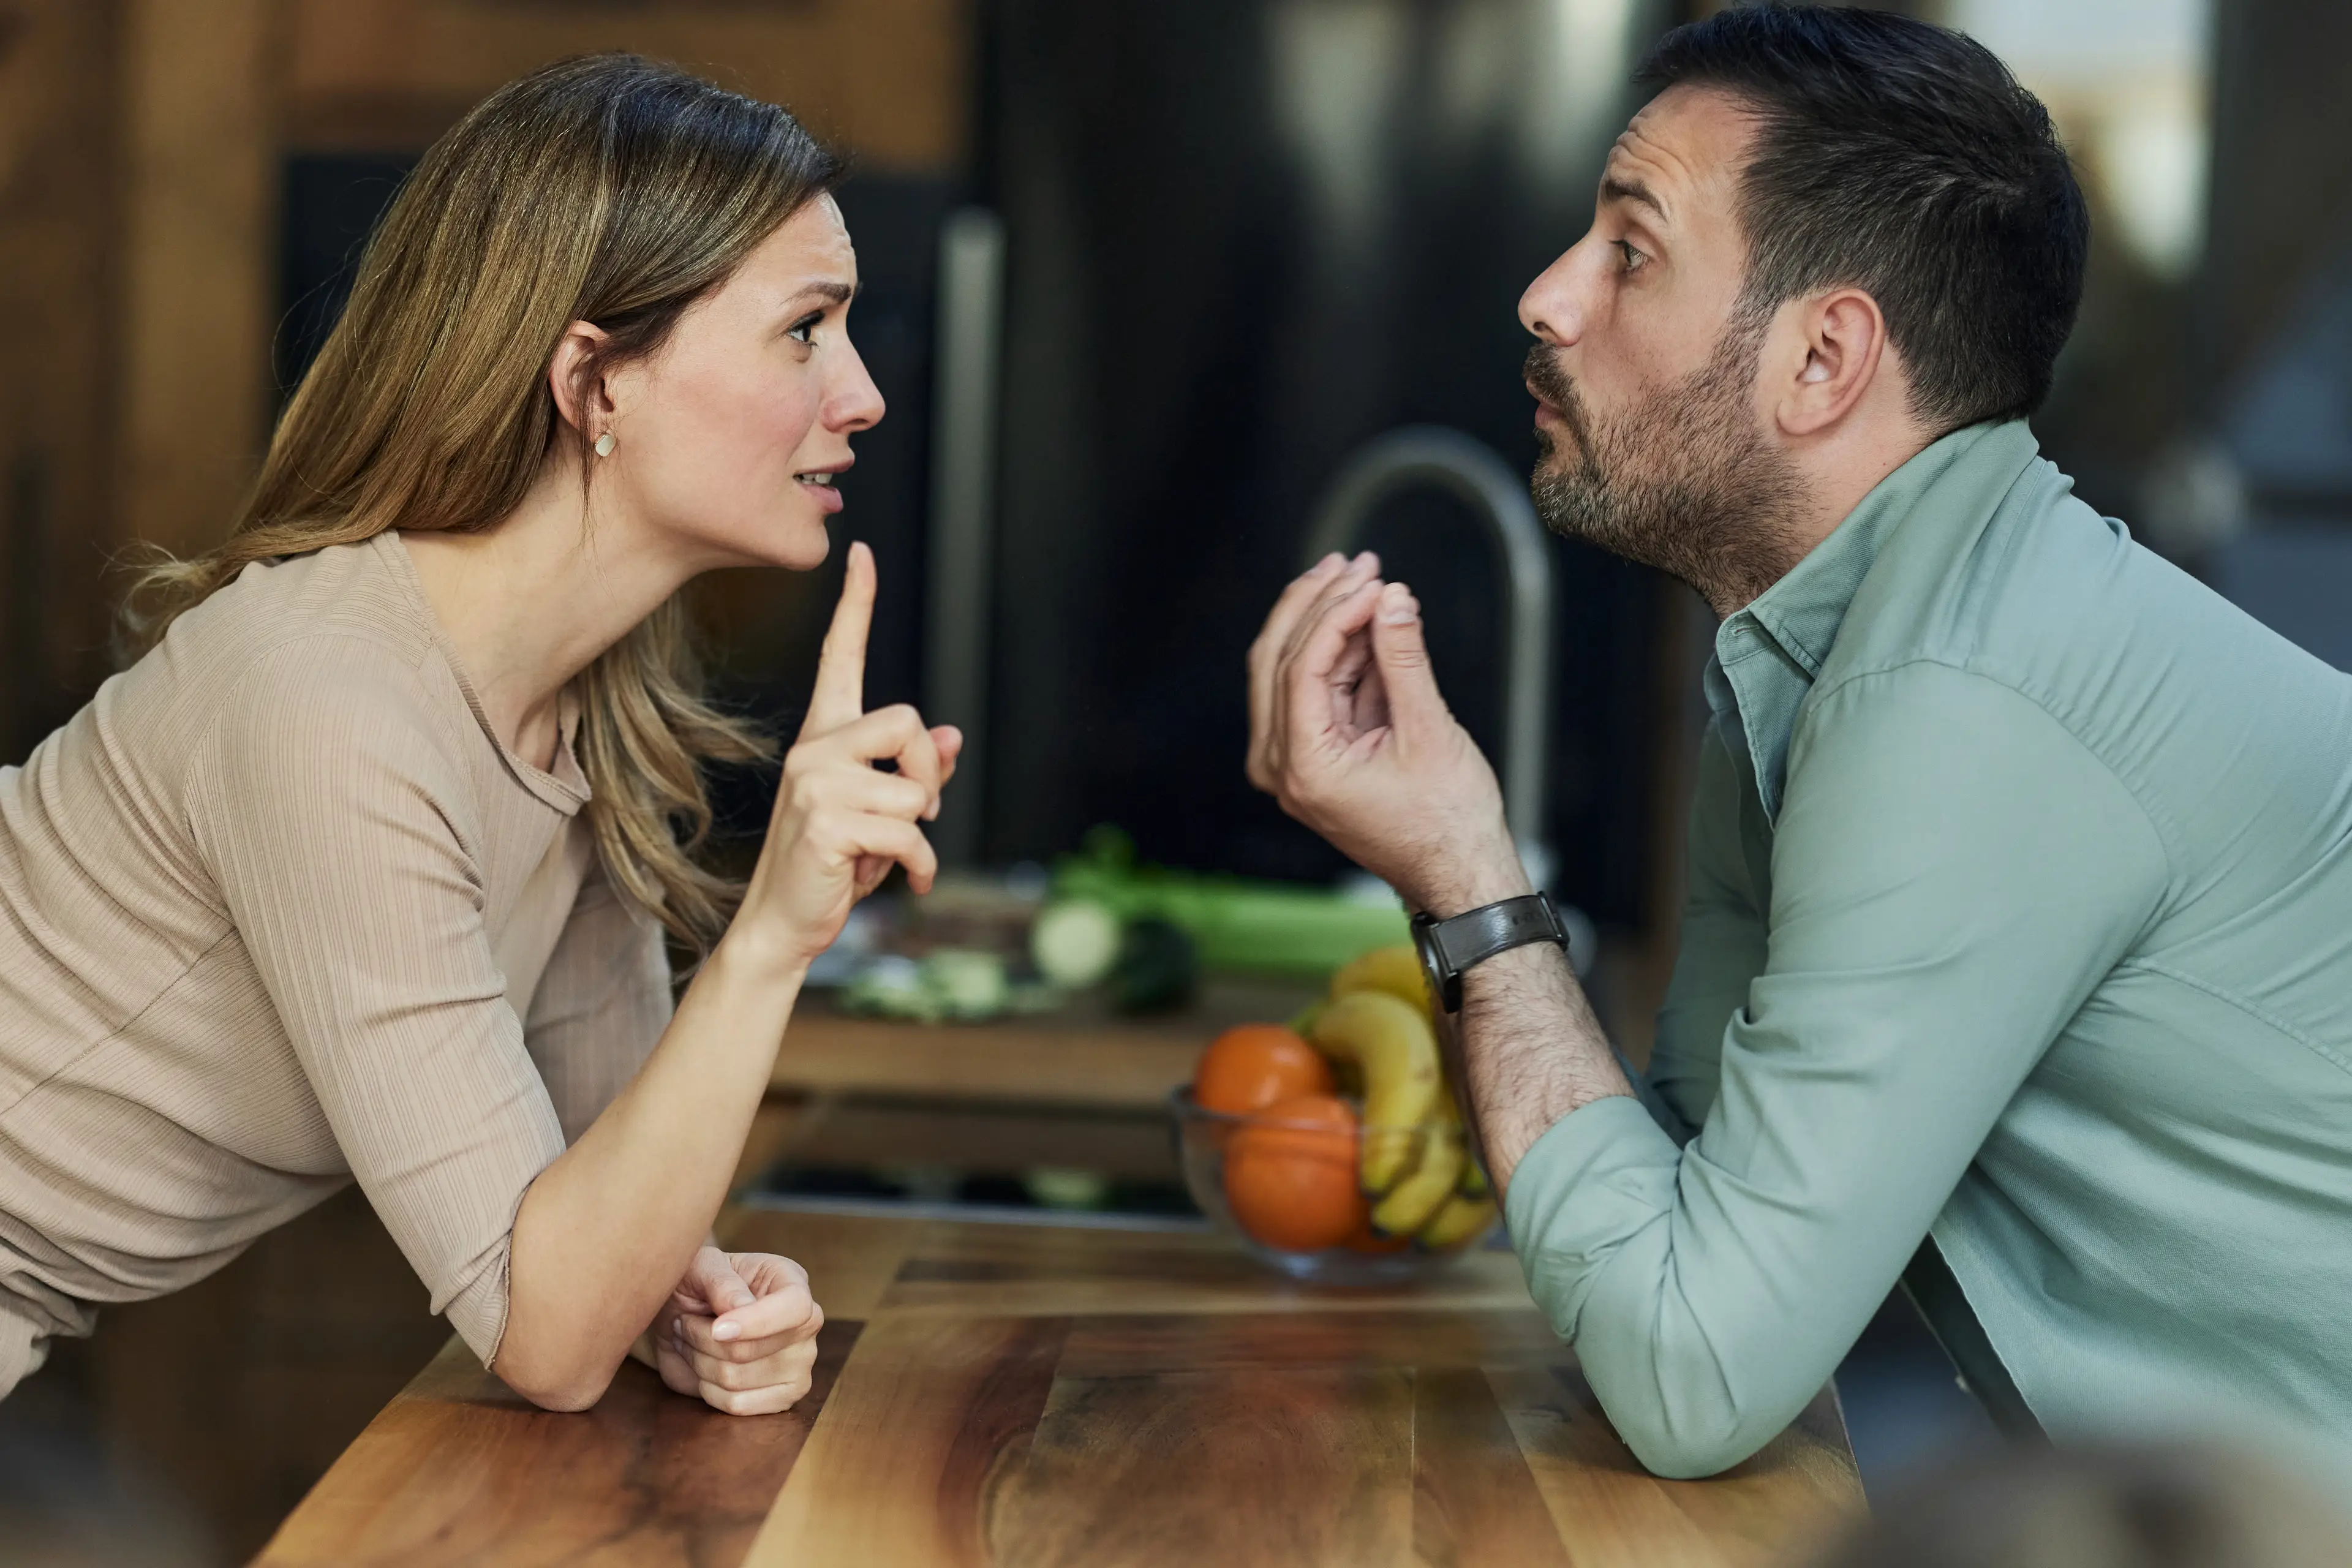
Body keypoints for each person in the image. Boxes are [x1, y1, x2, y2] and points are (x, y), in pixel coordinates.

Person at [1248, 4, 2352, 1477]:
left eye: (1630, 250)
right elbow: (1684, 1201)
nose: (1546, 294)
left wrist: (1465, 871)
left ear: (1824, 357)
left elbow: (1694, 1370)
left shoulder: (1959, 693)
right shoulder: (1819, 649)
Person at [0, 56, 956, 1415]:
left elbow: (589, 1226)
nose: (860, 393)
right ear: (596, 382)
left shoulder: (577, 725)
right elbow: (547, 1329)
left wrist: (702, 1304)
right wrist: (773, 935)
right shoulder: (327, 703)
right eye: (805, 329)